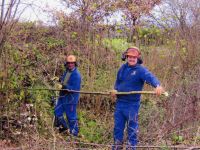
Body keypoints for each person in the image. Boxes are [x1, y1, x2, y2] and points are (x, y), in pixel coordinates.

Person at [111, 47, 164, 150]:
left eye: (134, 57)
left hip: (132, 105)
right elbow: (118, 82)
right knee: (118, 128)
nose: (131, 59)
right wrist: (114, 90)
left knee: (132, 128)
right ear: (126, 57)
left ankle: (131, 147)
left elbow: (150, 77)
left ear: (137, 58)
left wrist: (157, 85)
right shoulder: (122, 68)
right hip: (120, 103)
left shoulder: (140, 70)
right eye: (130, 57)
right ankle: (117, 146)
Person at [54, 54, 82, 136]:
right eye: (69, 63)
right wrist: (58, 79)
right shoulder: (67, 71)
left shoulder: (77, 75)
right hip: (62, 97)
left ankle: (74, 134)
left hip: (71, 98)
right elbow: (64, 81)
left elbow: (74, 89)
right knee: (57, 112)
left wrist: (63, 86)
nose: (70, 64)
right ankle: (66, 129)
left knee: (71, 117)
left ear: (75, 63)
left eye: (72, 63)